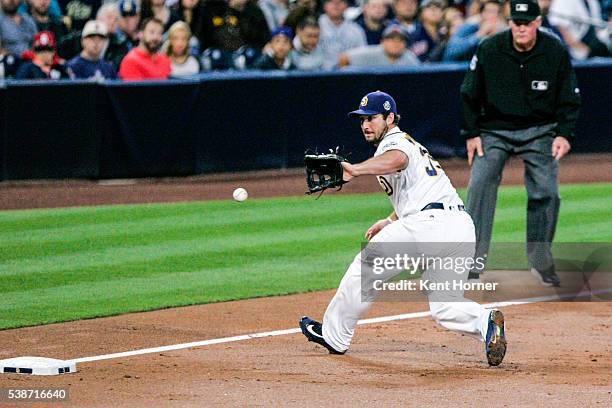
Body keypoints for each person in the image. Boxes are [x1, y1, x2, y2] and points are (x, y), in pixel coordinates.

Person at [299, 90, 507, 367]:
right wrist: (390, 220)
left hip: (428, 226)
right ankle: (486, 322)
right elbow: (418, 192)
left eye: (372, 118)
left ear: (390, 118)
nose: (365, 125)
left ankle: (334, 335)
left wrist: (357, 170)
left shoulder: (395, 143)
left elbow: (398, 159)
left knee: (365, 267)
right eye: (362, 120)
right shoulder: (412, 145)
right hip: (458, 227)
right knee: (445, 306)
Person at [460, 0, 581, 286]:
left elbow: (569, 96)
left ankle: (541, 262)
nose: (522, 27)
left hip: (540, 131)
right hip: (493, 130)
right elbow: (468, 92)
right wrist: (472, 133)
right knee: (479, 187)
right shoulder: (489, 48)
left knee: (547, 192)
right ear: (509, 22)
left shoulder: (554, 50)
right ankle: (473, 263)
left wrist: (564, 133)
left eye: (527, 22)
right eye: (517, 22)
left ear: (538, 22)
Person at [338, 24, 420, 67]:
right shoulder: (371, 53)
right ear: (382, 42)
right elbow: (344, 58)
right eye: (391, 39)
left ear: (405, 44)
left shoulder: (409, 57)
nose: (396, 43)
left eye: (401, 40)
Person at [318, 0, 367, 69]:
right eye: (332, 1)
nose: (336, 5)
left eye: (340, 2)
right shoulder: (314, 26)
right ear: (325, 5)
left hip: (348, 75)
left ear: (346, 6)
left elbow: (363, 56)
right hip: (317, 74)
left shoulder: (356, 30)